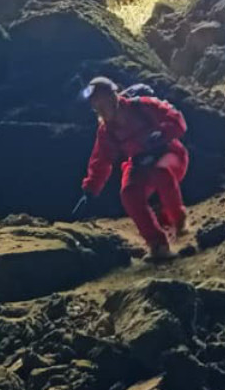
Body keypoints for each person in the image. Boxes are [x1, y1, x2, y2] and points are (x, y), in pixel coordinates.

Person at [72, 77, 189, 260]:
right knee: (129, 193)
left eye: (101, 103)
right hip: (140, 162)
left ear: (113, 97)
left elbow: (176, 119)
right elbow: (101, 160)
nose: (99, 110)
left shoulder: (142, 106)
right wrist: (90, 189)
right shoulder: (106, 131)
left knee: (162, 173)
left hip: (169, 154)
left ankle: (178, 221)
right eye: (96, 106)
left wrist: (163, 133)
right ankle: (157, 245)